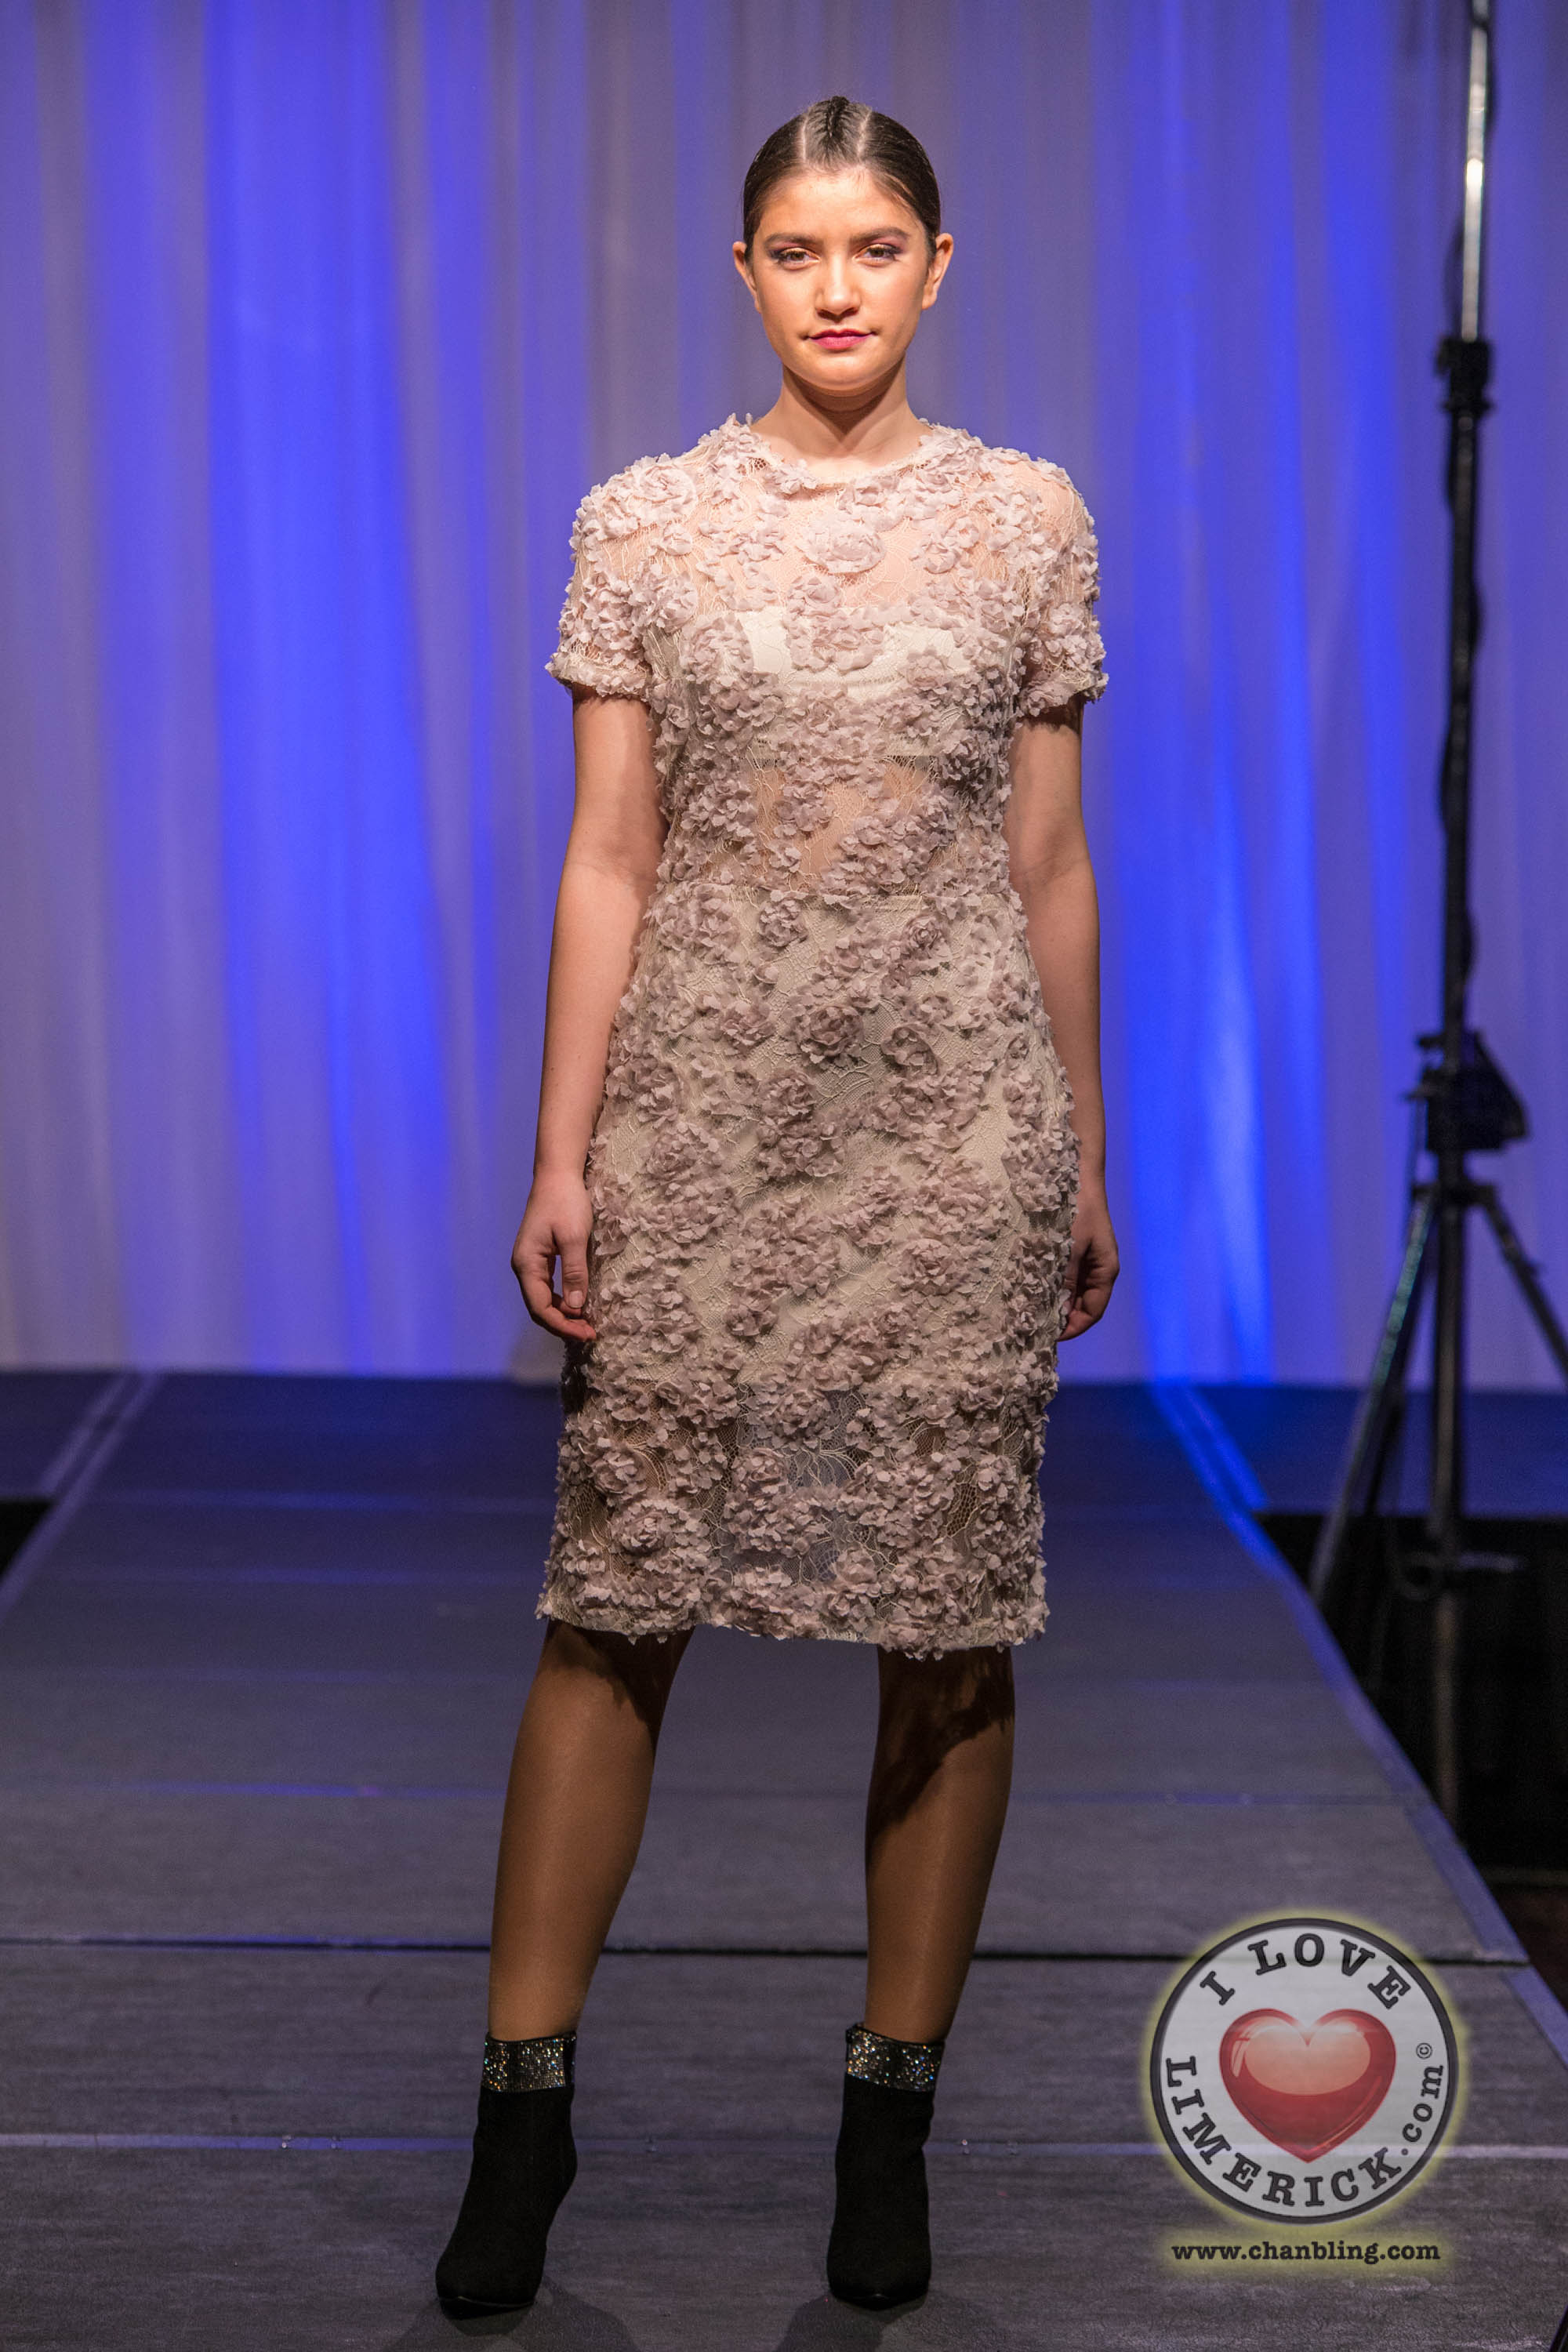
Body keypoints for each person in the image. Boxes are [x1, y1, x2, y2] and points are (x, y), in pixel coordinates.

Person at [436, 93, 1117, 2317]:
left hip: (953, 1119)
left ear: (940, 265)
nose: (839, 286)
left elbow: (1048, 865)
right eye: (800, 249)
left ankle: (888, 2123)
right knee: (613, 1600)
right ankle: (523, 2114)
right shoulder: (645, 521)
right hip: (702, 1112)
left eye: (877, 244)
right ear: (743, 272)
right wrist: (562, 1147)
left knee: (950, 1612)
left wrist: (1086, 1145)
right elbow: (608, 855)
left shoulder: (1027, 518)